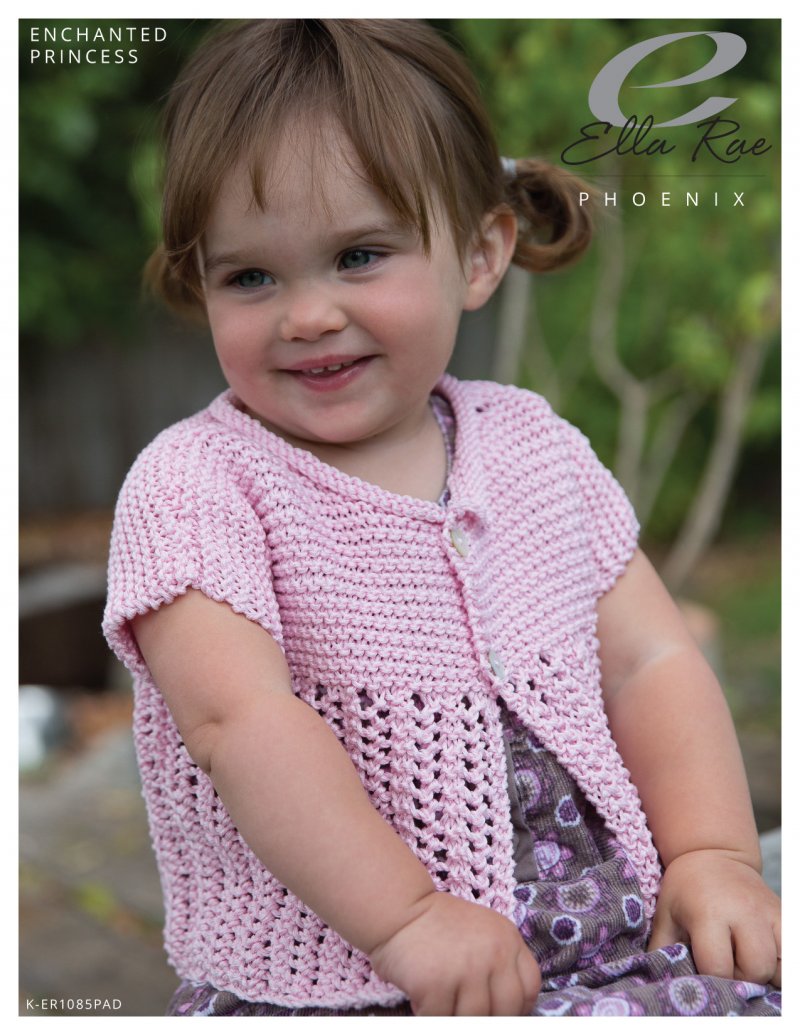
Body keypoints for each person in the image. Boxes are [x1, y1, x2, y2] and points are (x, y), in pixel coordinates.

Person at [103, 19, 781, 1017]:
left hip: (615, 941)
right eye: (250, 276)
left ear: (478, 254)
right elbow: (237, 722)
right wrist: (409, 921)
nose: (306, 314)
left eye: (358, 255)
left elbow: (649, 660)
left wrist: (712, 851)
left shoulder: (533, 447)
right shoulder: (197, 488)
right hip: (356, 982)